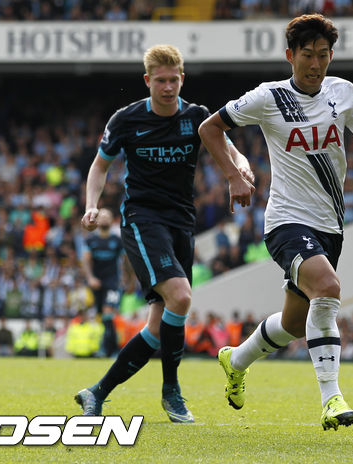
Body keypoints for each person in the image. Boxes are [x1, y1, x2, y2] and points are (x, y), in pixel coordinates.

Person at [199, 14, 353, 431]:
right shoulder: (269, 97)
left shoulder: (343, 91)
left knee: (295, 323)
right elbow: (210, 128)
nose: (316, 64)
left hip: (330, 225)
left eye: (323, 55)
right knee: (329, 288)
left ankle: (236, 360)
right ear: (290, 56)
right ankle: (331, 399)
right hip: (286, 220)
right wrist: (232, 176)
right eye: (307, 55)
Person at [74, 44, 253, 423]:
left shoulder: (197, 117)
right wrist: (92, 204)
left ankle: (96, 393)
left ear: (182, 79)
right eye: (161, 81)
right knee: (182, 296)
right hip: (142, 219)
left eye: (174, 80)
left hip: (182, 223)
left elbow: (229, 147)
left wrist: (242, 165)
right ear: (147, 81)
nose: (168, 87)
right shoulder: (126, 119)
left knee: (157, 329)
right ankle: (172, 392)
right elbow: (99, 166)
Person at [81, 207, 126, 357]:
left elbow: (125, 261)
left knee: (108, 312)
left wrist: (129, 279)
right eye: (102, 216)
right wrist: (90, 278)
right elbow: (86, 261)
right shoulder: (90, 240)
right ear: (97, 220)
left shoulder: (117, 240)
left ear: (112, 220)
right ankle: (109, 346)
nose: (105, 218)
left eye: (108, 216)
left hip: (113, 282)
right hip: (96, 283)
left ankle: (110, 349)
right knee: (102, 315)